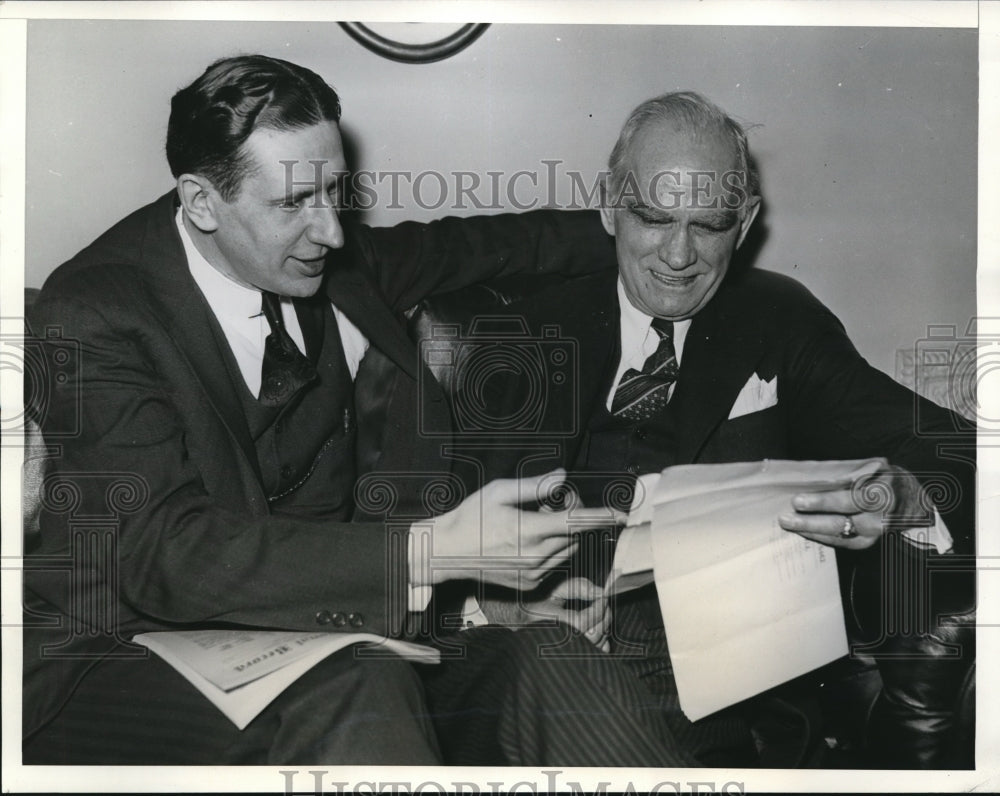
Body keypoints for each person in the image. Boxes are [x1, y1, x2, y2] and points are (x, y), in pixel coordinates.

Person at [21, 54, 624, 765]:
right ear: (201, 203)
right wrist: (437, 549)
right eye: (294, 203)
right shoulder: (96, 310)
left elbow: (478, 246)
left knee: (548, 655)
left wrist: (644, 229)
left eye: (334, 193)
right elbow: (165, 556)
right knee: (359, 685)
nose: (333, 232)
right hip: (118, 654)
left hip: (318, 632)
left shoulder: (326, 259)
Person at [408, 91, 976, 767]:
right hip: (524, 665)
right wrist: (497, 610)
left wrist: (905, 495)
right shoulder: (515, 336)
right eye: (653, 217)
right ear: (609, 206)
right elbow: (409, 545)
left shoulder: (776, 322)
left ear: (745, 222)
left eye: (708, 225)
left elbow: (955, 447)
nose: (679, 255)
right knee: (549, 660)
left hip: (716, 692)